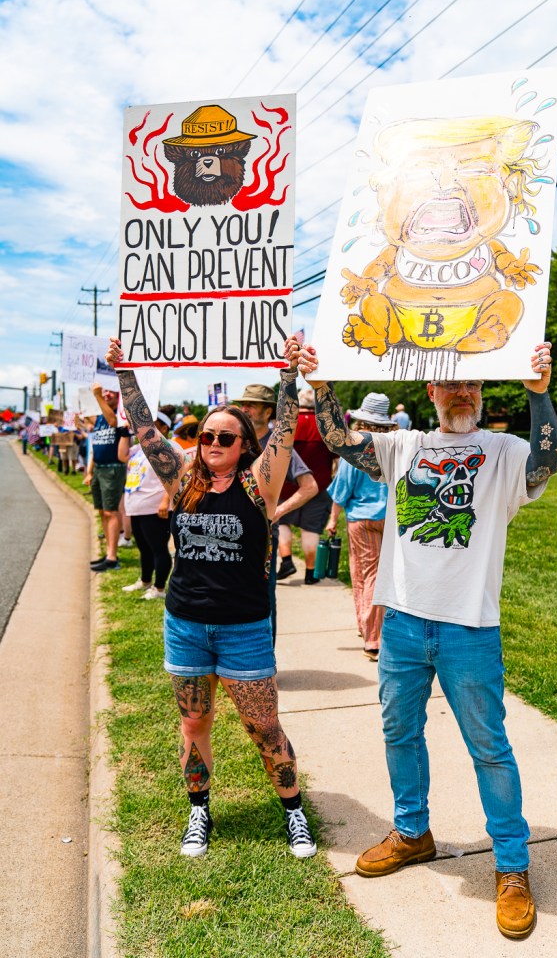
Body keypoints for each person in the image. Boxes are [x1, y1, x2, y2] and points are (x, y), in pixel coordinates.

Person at [298, 340, 557, 940]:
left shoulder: (502, 451)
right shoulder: (403, 446)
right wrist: (321, 382)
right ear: (431, 392)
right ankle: (412, 832)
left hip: (469, 626)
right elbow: (340, 440)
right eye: (451, 384)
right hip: (404, 624)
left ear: (483, 392)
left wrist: (539, 396)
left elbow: (547, 464)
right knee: (399, 730)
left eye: (472, 384)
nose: (462, 393)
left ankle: (512, 865)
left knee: (488, 746)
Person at [105, 335, 317, 861]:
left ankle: (294, 811)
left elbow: (285, 432)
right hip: (186, 624)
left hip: (244, 627)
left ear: (246, 444)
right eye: (207, 434)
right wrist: (124, 373)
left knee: (263, 725)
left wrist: (289, 377)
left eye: (227, 436)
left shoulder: (257, 485)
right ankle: (199, 809)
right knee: (194, 722)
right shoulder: (181, 481)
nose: (215, 442)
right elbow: (145, 427)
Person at [231, 383, 318, 642]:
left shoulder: (278, 446)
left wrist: (277, 512)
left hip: (262, 539)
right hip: (227, 534)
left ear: (268, 411)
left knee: (263, 600)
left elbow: (309, 487)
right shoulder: (231, 440)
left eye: (251, 404)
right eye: (242, 403)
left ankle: (266, 662)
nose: (244, 408)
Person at [326, 393, 395, 661]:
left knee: (365, 575)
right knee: (383, 575)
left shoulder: (355, 449)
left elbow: (342, 490)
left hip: (361, 519)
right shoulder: (394, 445)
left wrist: (333, 519)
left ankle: (372, 638)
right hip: (390, 516)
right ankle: (372, 627)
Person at [277, 387, 336, 585]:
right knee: (310, 529)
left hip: (287, 484)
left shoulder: (289, 423)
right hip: (319, 485)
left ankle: (286, 561)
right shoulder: (326, 426)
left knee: (281, 521)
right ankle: (311, 573)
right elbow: (335, 456)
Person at [119, 409, 174, 600]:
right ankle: (145, 581)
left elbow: (174, 477)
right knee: (143, 547)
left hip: (155, 508)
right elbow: (122, 455)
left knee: (158, 548)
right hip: (136, 506)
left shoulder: (166, 447)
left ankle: (159, 588)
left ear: (164, 428)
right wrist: (126, 433)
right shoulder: (139, 448)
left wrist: (166, 501)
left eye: (152, 424)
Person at [85, 384, 129, 573]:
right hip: (99, 470)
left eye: (111, 391)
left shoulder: (120, 414)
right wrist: (89, 471)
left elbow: (113, 423)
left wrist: (97, 396)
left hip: (113, 469)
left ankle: (112, 557)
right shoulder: (100, 416)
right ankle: (109, 553)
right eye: (105, 391)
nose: (107, 394)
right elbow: (96, 446)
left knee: (111, 512)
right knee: (103, 511)